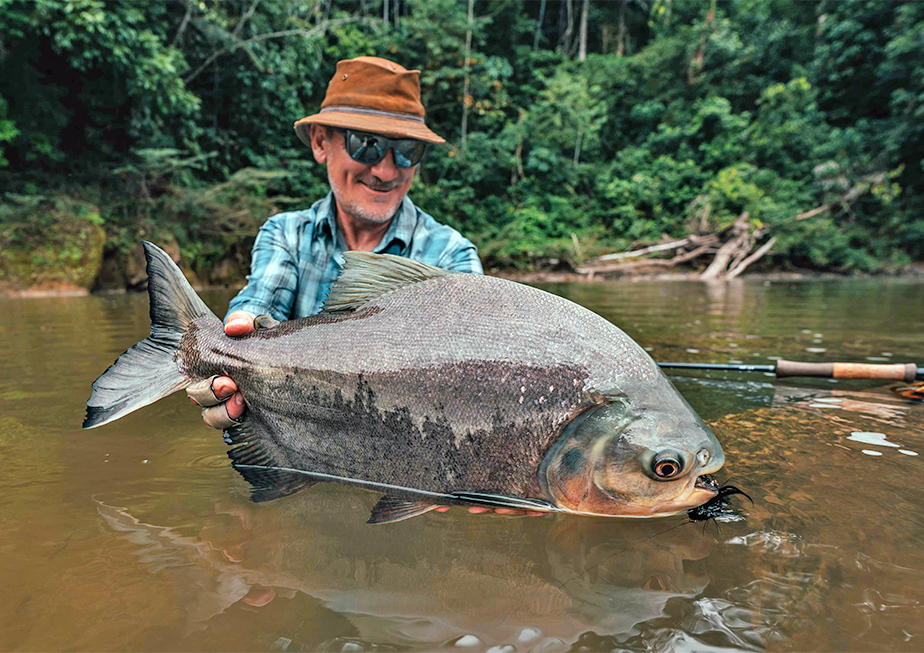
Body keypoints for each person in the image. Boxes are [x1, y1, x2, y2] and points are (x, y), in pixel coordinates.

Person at [187, 56, 541, 516]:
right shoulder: (285, 234)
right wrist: (221, 354)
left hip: (412, 474)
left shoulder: (452, 255)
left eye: (407, 151)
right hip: (300, 464)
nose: (388, 170)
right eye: (367, 144)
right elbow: (258, 305)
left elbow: (482, 370)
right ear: (320, 143)